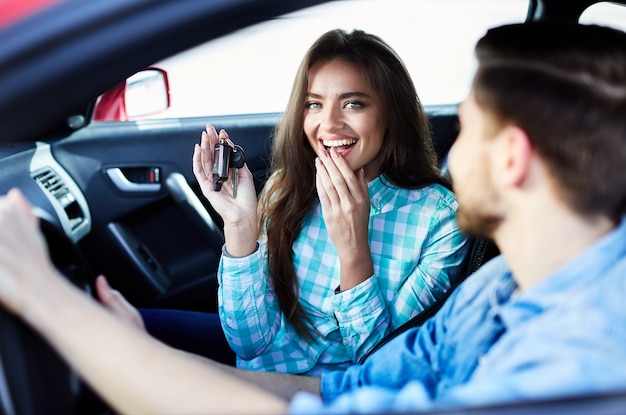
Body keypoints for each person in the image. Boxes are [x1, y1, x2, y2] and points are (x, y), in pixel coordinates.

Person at [1, 21, 626, 415]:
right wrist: (237, 235)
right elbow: (336, 392)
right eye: (316, 105)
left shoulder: (580, 355)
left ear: (512, 157)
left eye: (471, 132)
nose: (455, 155)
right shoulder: (500, 289)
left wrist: (46, 298)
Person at [138, 28, 469, 375]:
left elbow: (381, 368)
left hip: (329, 397)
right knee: (114, 321)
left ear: (391, 114)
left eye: (353, 103)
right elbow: (249, 344)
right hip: (258, 373)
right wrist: (239, 225)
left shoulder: (440, 220)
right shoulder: (287, 187)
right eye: (314, 104)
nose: (329, 123)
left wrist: (353, 253)